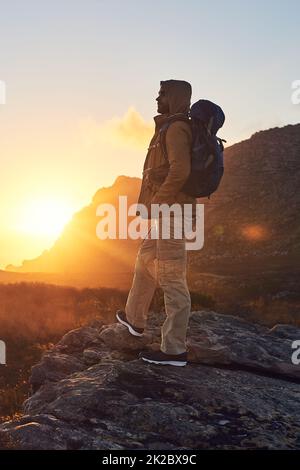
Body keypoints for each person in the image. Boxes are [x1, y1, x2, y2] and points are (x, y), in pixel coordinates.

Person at [116, 79, 196, 367]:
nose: (157, 98)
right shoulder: (169, 126)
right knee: (145, 259)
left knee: (172, 277)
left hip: (173, 213)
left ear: (174, 98)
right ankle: (135, 319)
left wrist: (159, 201)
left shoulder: (176, 129)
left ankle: (174, 351)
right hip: (167, 213)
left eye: (162, 94)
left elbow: (181, 171)